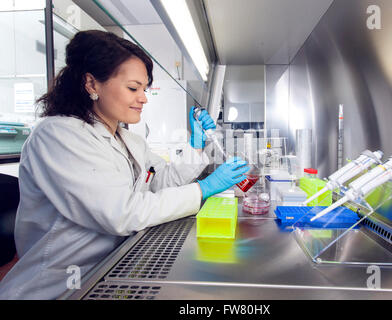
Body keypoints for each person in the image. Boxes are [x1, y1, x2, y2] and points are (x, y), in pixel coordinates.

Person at [0, 30, 248, 299]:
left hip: (106, 270)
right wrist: (204, 189)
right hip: (60, 286)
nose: (143, 98)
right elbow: (121, 213)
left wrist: (196, 147)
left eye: (144, 89)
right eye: (133, 88)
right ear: (92, 84)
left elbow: (160, 182)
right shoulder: (58, 135)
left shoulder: (129, 140)